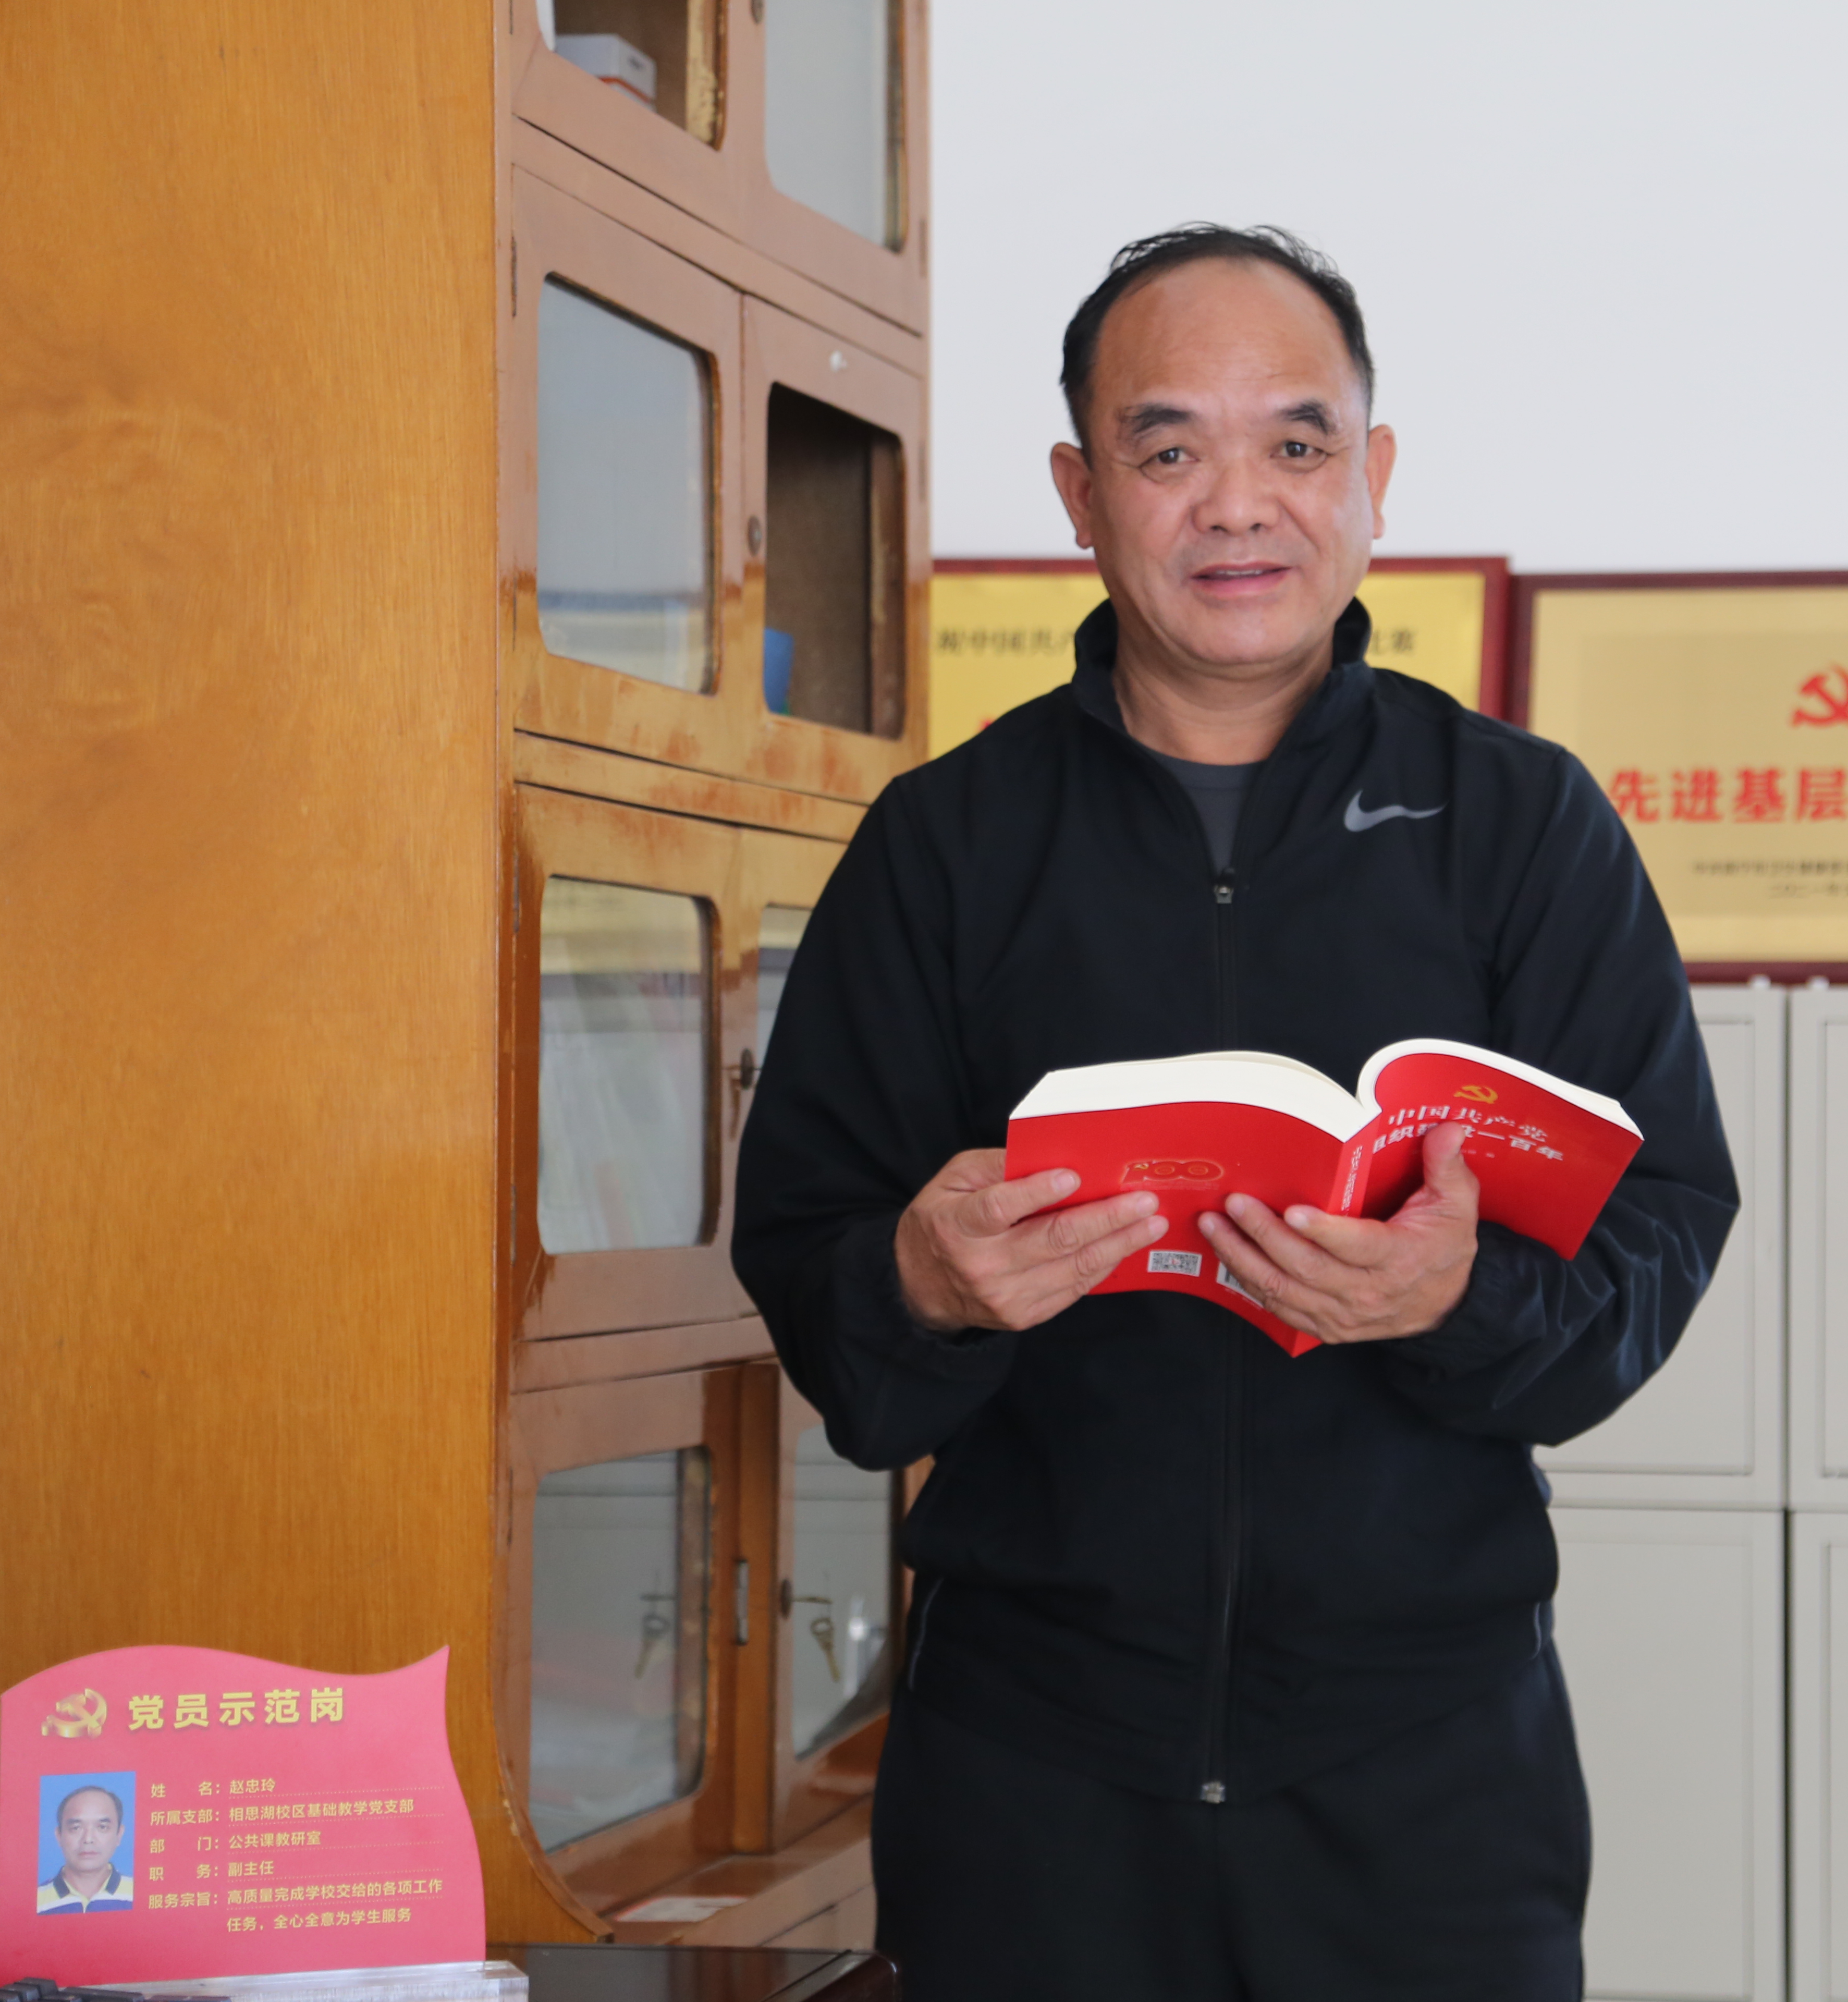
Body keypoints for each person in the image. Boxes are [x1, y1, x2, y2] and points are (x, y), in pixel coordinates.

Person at [735, 224, 1735, 2000]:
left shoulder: (1522, 825)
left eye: (1296, 441)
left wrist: (1458, 1297)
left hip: (1424, 1765)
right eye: (1168, 447)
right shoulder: (946, 846)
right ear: (1081, 492)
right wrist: (923, 1281)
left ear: (1374, 478)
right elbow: (810, 1263)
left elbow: (1656, 1232)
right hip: (1032, 1762)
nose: (1239, 505)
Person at [36, 1784, 133, 1913]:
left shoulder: (138, 1895)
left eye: (102, 1827)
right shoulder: (37, 1900)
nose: (88, 1839)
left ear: (119, 1835)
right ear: (59, 1836)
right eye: (76, 1828)